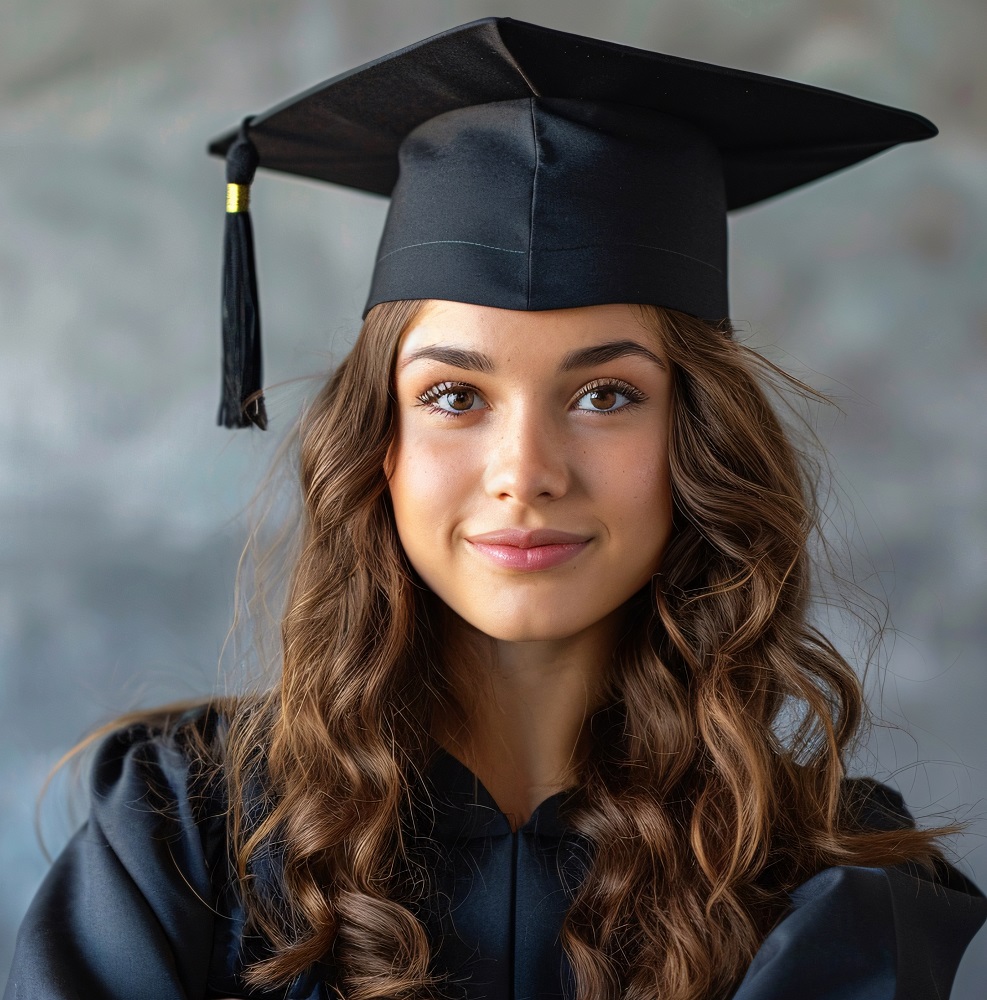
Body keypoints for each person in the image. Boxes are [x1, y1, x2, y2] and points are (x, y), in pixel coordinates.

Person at [4, 17, 985, 1000]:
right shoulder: (184, 832)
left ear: (698, 439)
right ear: (374, 444)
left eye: (606, 395)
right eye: (453, 397)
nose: (525, 473)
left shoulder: (829, 882)